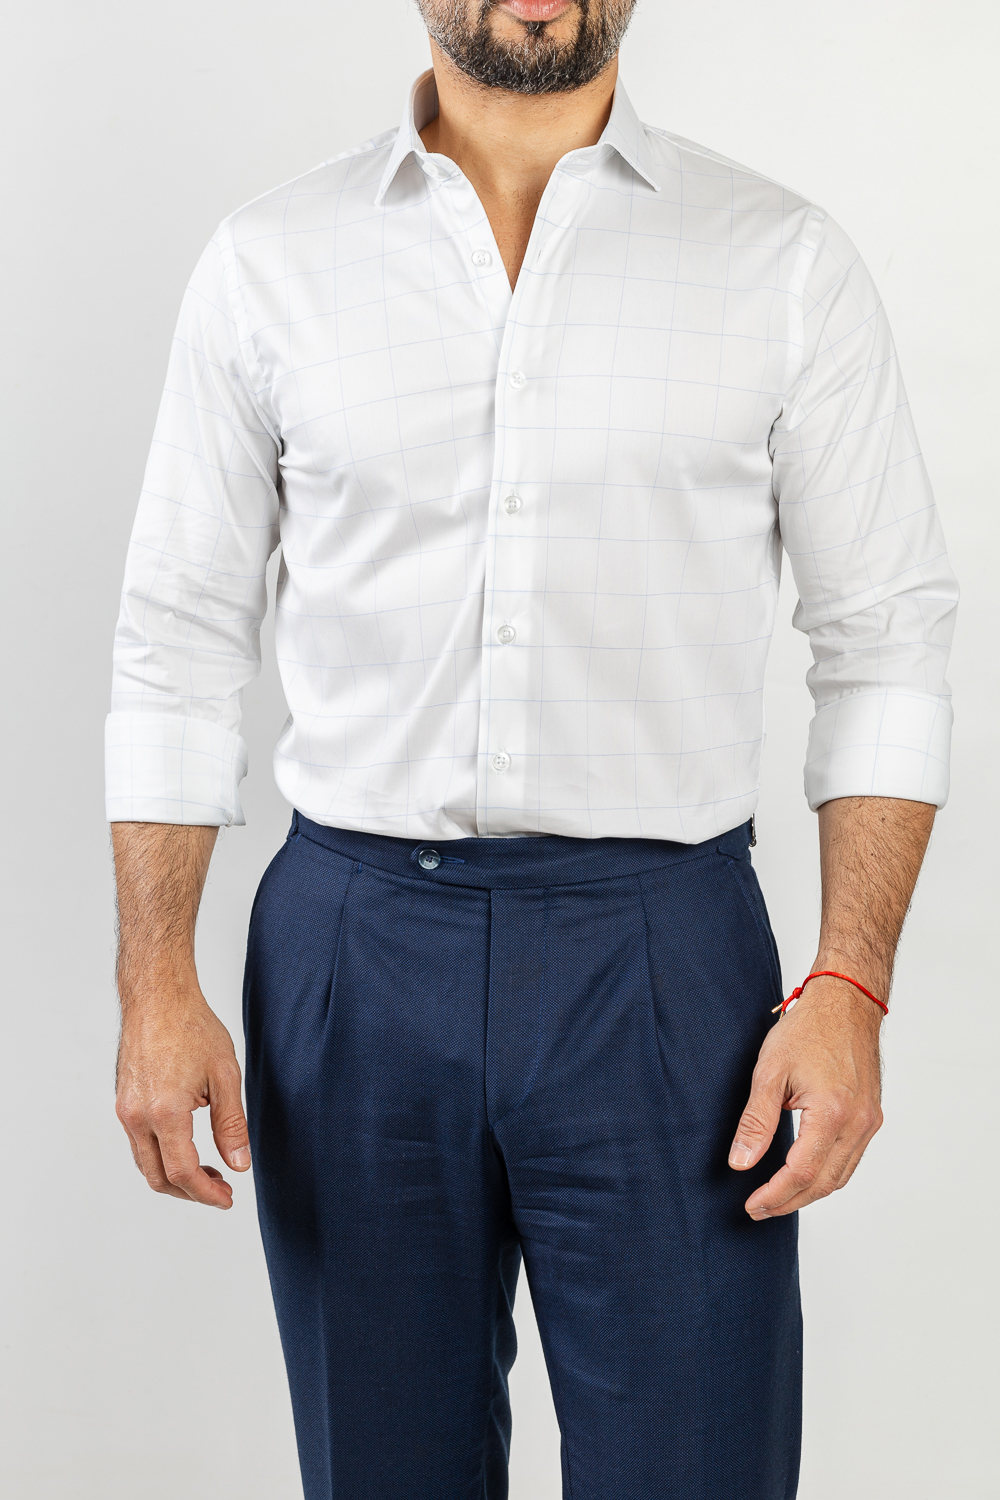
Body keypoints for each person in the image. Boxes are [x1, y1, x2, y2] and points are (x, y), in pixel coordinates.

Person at [106, 3, 958, 1497]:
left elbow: (885, 637)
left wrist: (851, 982)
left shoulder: (781, 260)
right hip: (353, 952)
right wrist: (155, 981)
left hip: (665, 963)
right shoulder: (269, 262)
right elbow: (176, 642)